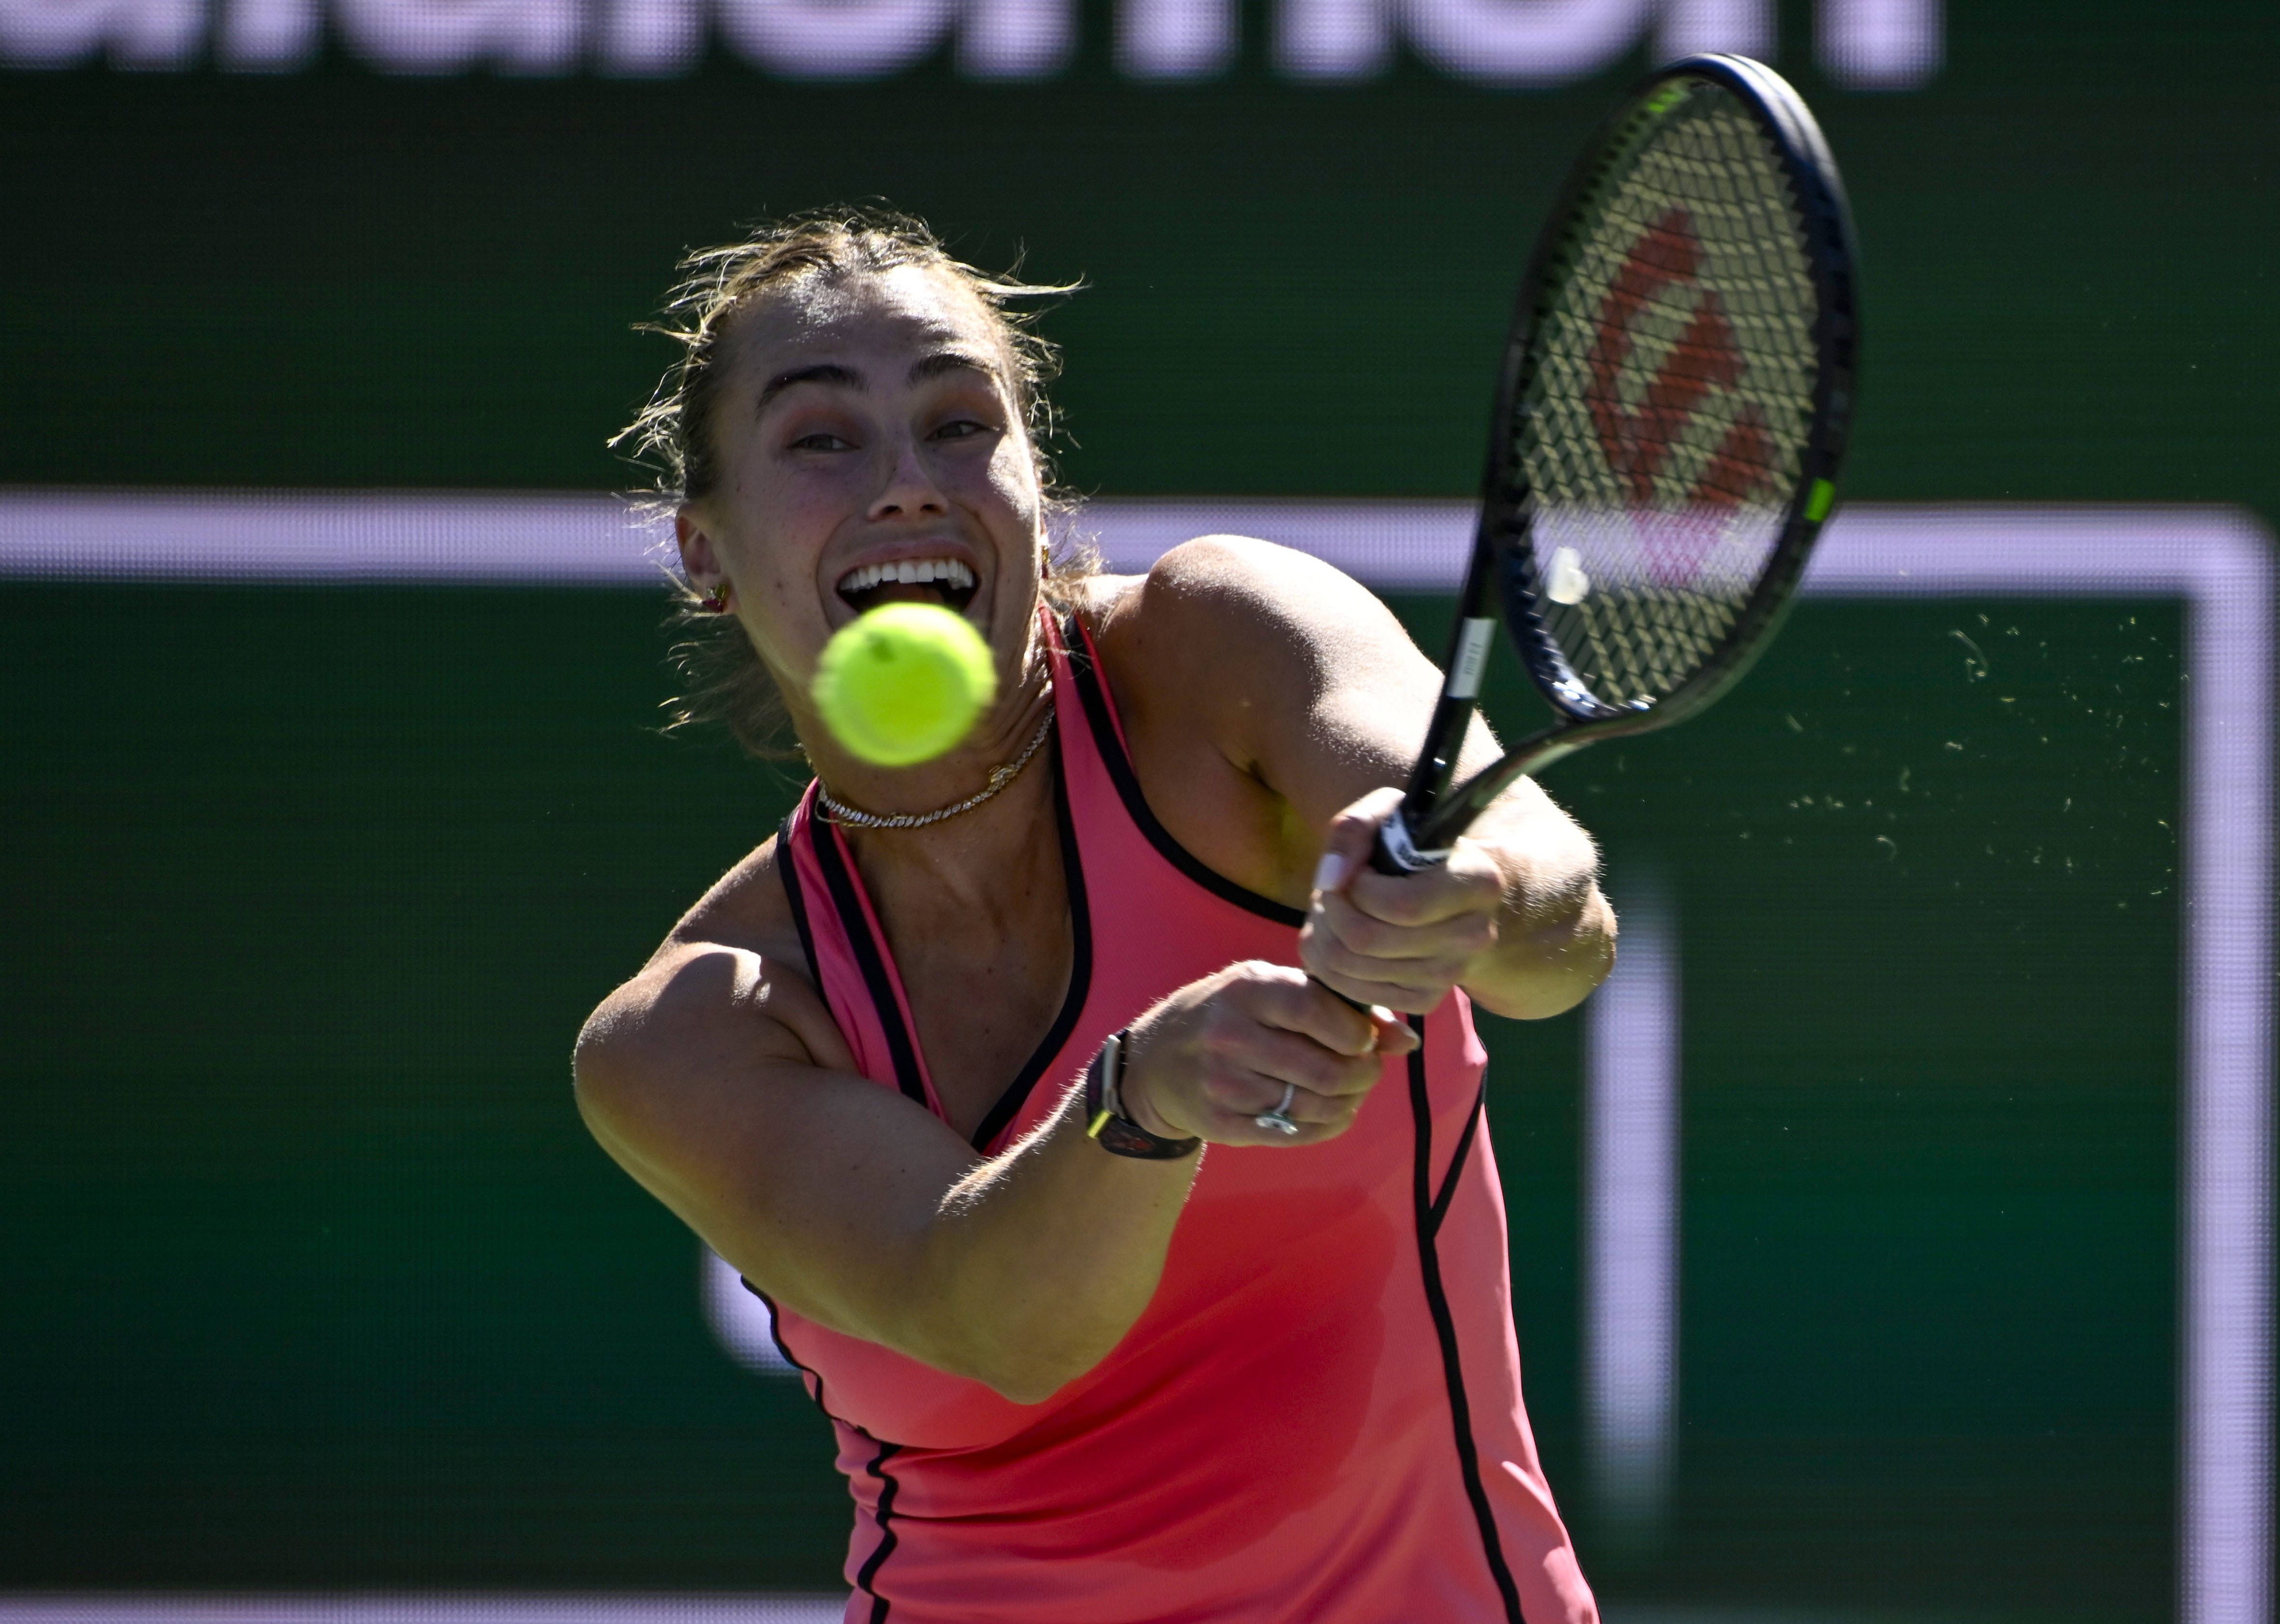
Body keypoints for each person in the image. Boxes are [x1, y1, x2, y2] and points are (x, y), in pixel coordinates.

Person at [574, 208, 1615, 1624]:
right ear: (705, 549)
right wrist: (1145, 1091)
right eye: (823, 439)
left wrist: (1475, 892)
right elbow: (997, 1320)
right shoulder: (682, 1042)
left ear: (1036, 488)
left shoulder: (1218, 651)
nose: (905, 487)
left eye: (959, 424)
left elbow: (1556, 928)